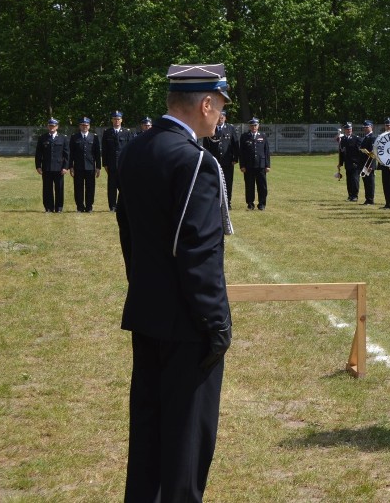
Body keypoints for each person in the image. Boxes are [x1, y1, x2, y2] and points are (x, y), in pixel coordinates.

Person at [116, 63, 233, 501]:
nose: (221, 116)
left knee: (147, 444)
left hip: (147, 314)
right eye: (219, 106)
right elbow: (198, 255)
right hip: (188, 329)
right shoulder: (196, 161)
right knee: (185, 451)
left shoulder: (136, 148)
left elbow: (128, 232)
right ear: (205, 103)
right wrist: (217, 324)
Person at [203, 109, 239, 209]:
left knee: (228, 182)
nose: (221, 118)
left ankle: (228, 202)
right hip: (214, 161)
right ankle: (215, 202)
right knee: (214, 181)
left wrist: (235, 158)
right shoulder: (211, 128)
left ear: (225, 118)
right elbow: (206, 146)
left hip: (227, 161)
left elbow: (235, 144)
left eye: (222, 117)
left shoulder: (230, 128)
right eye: (219, 117)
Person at [35, 117, 69, 212]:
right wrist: (38, 166)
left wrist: (66, 167)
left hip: (59, 168)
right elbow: (38, 153)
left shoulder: (63, 138)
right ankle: (48, 207)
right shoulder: (42, 138)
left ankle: (59, 208)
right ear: (47, 126)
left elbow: (66, 154)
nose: (52, 127)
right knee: (47, 189)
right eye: (50, 126)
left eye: (53, 126)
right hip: (46, 168)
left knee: (59, 189)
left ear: (57, 127)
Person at [69, 116, 101, 212]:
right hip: (78, 167)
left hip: (90, 167)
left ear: (89, 126)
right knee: (78, 188)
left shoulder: (94, 137)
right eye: (83, 125)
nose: (84, 127)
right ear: (79, 126)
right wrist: (70, 166)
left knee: (90, 188)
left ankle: (89, 206)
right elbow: (71, 153)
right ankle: (79, 206)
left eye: (86, 125)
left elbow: (97, 154)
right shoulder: (74, 137)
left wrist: (98, 167)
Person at [102, 110, 133, 211]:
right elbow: (104, 149)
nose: (116, 121)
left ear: (121, 120)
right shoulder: (107, 133)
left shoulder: (127, 132)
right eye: (115, 119)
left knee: (123, 186)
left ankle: (123, 205)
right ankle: (112, 206)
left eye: (118, 119)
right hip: (111, 164)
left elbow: (130, 149)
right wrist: (105, 164)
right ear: (112, 120)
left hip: (123, 163)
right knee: (112, 186)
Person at [239, 118, 270, 210]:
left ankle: (262, 204)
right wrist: (242, 165)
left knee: (262, 186)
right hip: (249, 166)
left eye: (255, 125)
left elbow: (267, 151)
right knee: (249, 186)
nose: (254, 127)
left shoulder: (263, 136)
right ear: (249, 126)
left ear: (258, 126)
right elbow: (241, 152)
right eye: (252, 125)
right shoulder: (244, 136)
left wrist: (267, 165)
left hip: (261, 165)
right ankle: (250, 204)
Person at [337, 122, 363, 202]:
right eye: (347, 129)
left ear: (352, 129)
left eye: (350, 129)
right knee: (349, 180)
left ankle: (355, 196)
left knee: (355, 179)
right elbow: (342, 152)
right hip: (347, 163)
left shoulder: (356, 138)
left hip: (355, 162)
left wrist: (359, 162)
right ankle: (350, 195)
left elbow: (360, 152)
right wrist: (340, 163)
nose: (348, 130)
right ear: (345, 130)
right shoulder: (343, 139)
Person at [379, 117, 390, 210]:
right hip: (384, 162)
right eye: (387, 125)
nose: (388, 127)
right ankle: (387, 203)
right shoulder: (382, 136)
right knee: (385, 183)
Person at [360, 119, 377, 205]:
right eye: (364, 127)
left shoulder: (373, 137)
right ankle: (367, 199)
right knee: (366, 181)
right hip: (364, 163)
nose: (365, 129)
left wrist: (372, 166)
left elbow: (374, 152)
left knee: (370, 182)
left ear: (371, 127)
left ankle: (370, 199)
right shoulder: (366, 137)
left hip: (369, 163)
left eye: (367, 127)